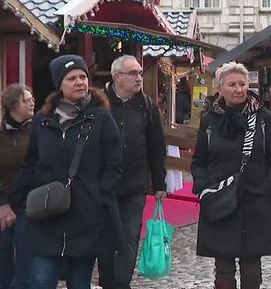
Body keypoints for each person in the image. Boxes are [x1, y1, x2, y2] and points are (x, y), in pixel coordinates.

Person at [11, 55, 123, 289]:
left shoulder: (101, 118)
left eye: (83, 76)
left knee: (80, 283)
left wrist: (99, 196)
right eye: (72, 78)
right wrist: (15, 201)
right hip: (46, 218)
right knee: (41, 281)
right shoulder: (42, 121)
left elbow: (114, 165)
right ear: (59, 84)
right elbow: (31, 164)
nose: (79, 82)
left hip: (86, 218)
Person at [191, 61, 271, 289]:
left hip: (255, 199)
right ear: (221, 88)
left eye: (242, 84)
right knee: (224, 272)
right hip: (219, 199)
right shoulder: (209, 120)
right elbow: (199, 160)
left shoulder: (262, 118)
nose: (238, 89)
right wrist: (203, 187)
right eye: (232, 84)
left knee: (252, 271)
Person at [98, 55, 167, 289]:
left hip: (135, 185)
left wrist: (159, 184)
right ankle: (107, 282)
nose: (139, 77)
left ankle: (120, 284)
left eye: (140, 73)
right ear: (118, 77)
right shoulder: (98, 102)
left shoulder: (147, 106)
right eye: (133, 73)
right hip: (104, 185)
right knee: (106, 239)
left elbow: (157, 146)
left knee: (129, 238)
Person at [0, 84, 35, 289]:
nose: (32, 102)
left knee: (26, 260)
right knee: (3, 259)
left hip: (29, 205)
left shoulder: (38, 131)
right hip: (3, 206)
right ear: (13, 105)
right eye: (26, 100)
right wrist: (3, 203)